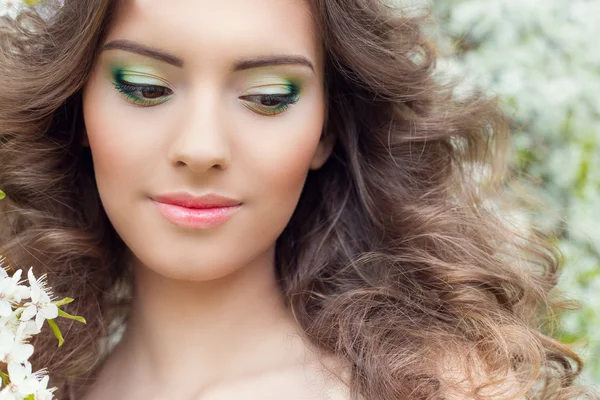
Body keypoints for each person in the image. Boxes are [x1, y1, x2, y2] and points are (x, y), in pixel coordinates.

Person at [0, 0, 595, 399]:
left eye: (267, 96)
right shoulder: (31, 384)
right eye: (146, 87)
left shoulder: (431, 391)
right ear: (77, 104)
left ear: (327, 127)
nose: (202, 147)